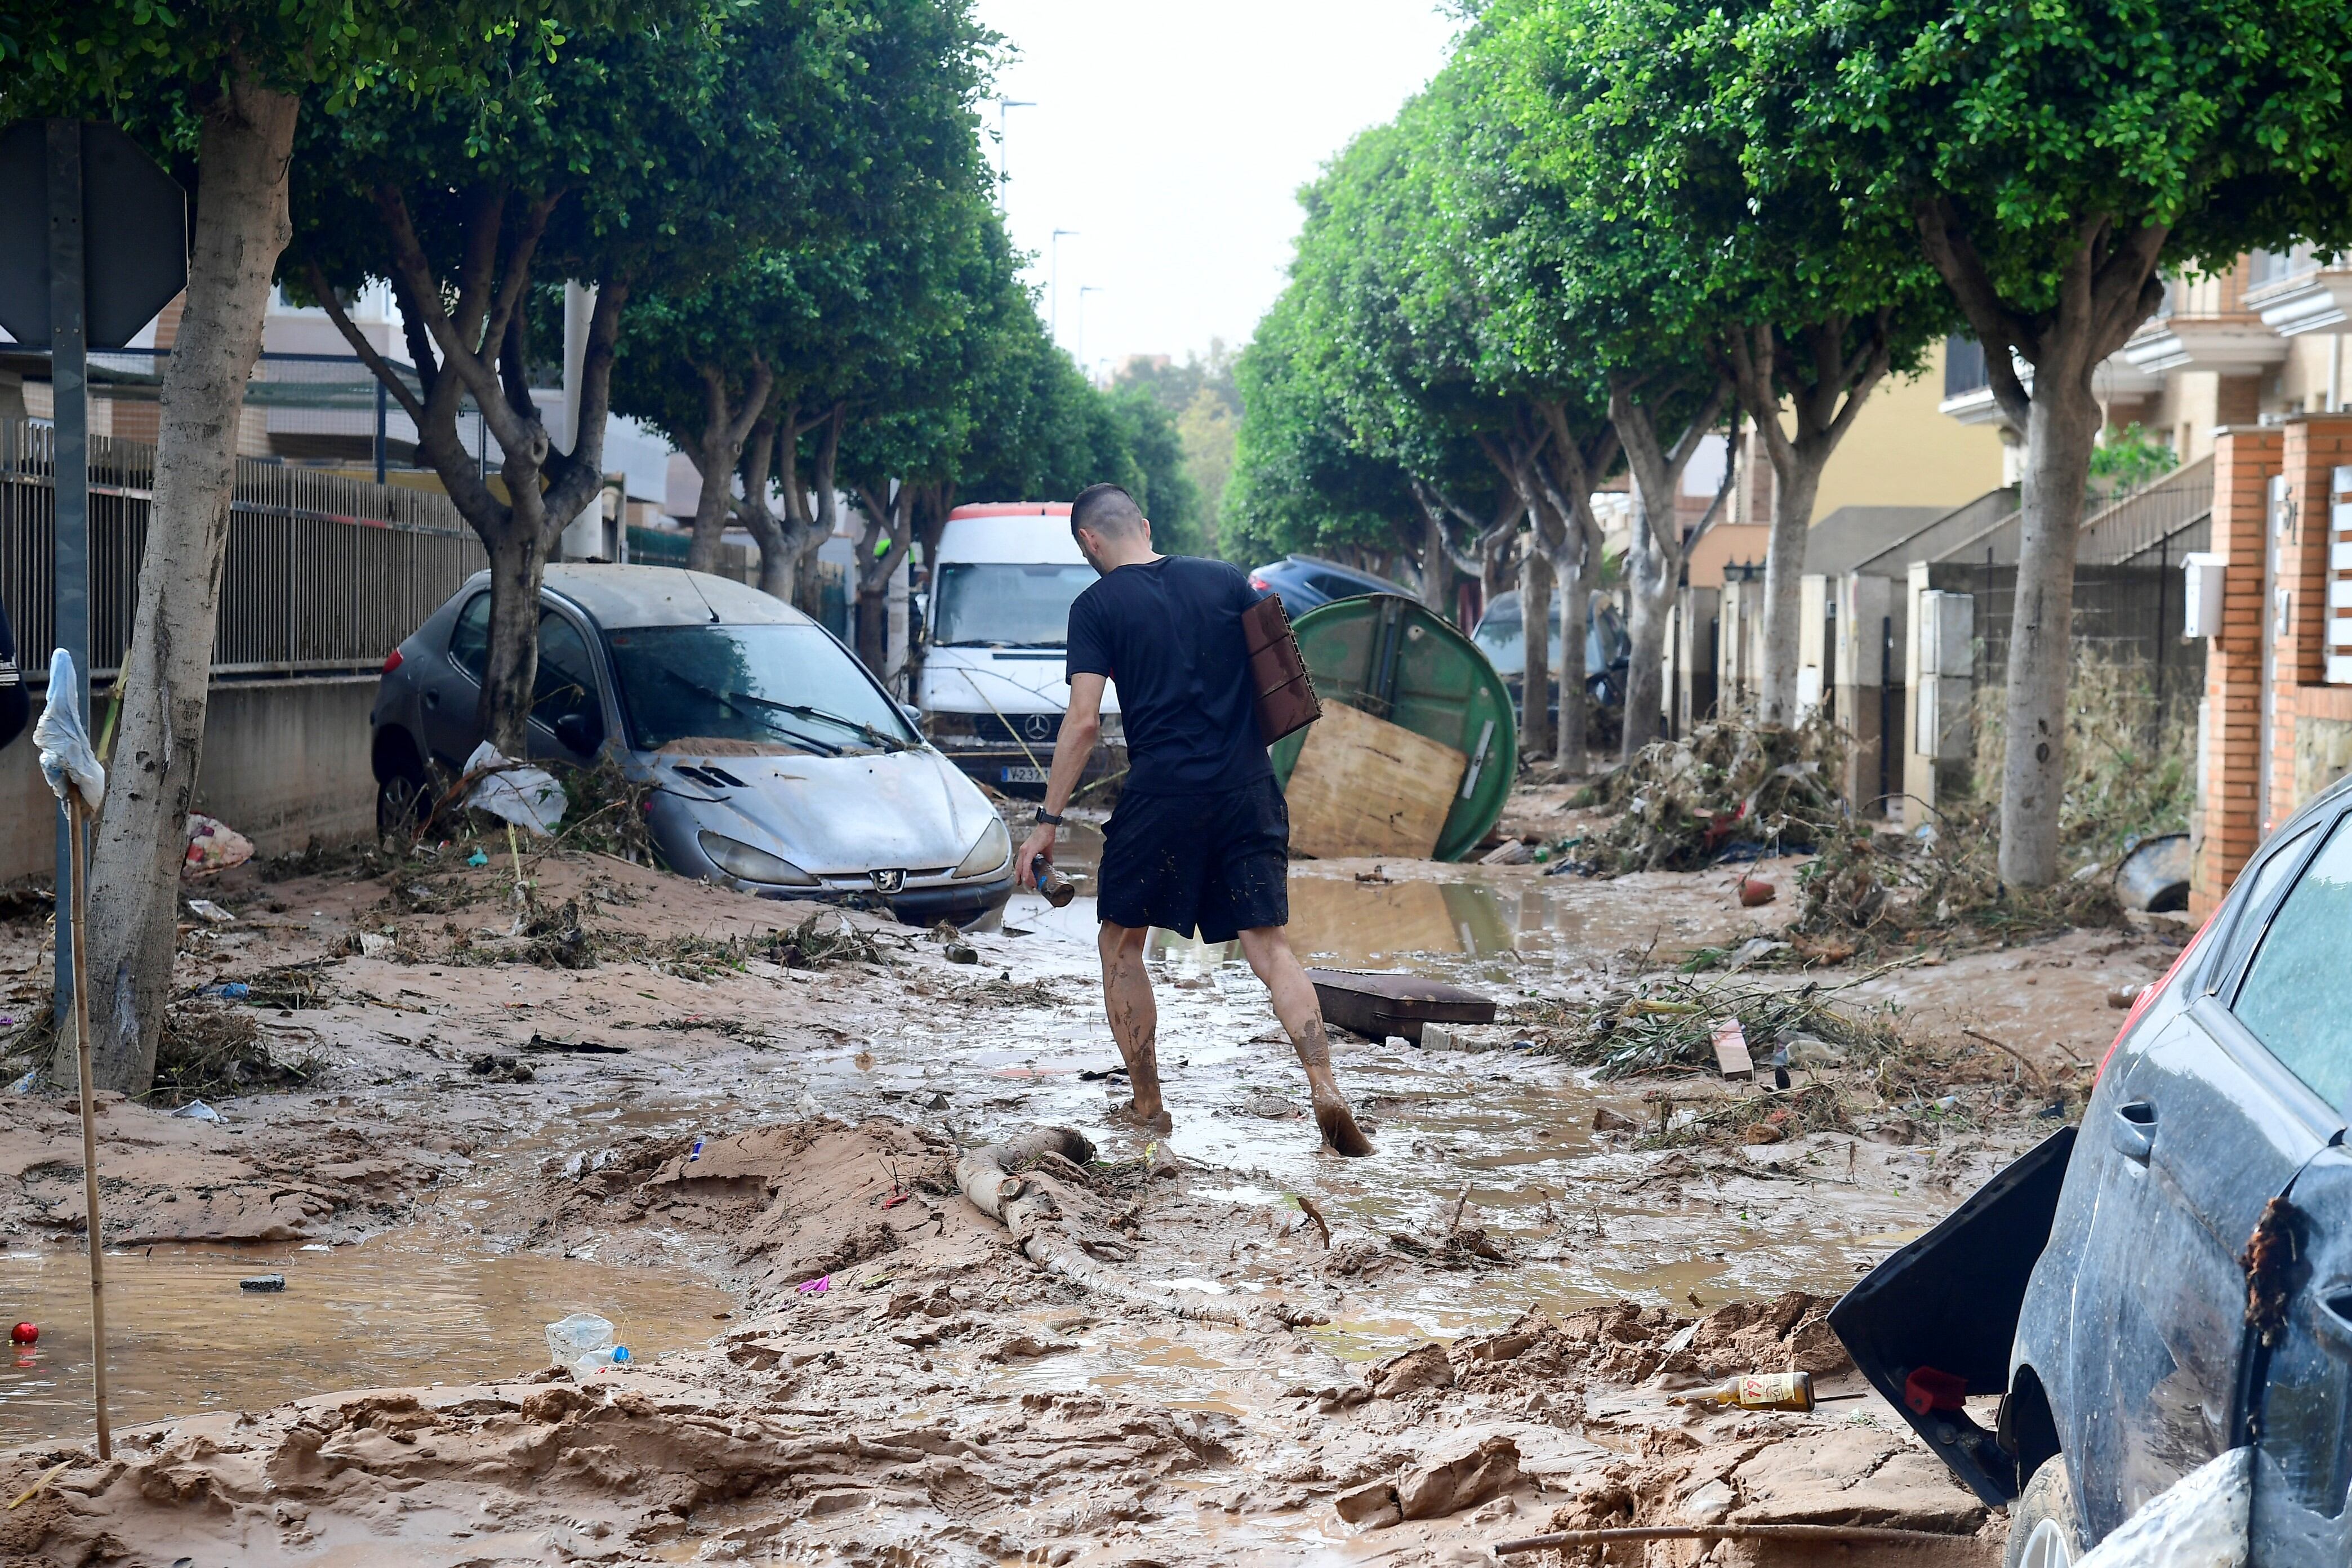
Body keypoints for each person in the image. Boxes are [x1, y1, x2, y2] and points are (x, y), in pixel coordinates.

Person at [1015, 484, 1373, 1157]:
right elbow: (1283, 683)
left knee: (1122, 943)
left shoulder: (1095, 606)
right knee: (1270, 948)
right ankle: (1325, 1085)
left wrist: (1047, 822)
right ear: (1144, 526)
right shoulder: (1226, 580)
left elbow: (1085, 722)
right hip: (1247, 784)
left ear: (1089, 542)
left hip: (1163, 794)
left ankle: (1148, 1107)